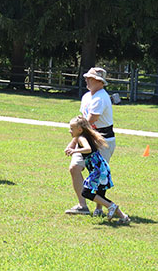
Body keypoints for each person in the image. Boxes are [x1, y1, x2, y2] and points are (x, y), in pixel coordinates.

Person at [65, 67, 116, 216]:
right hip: (86, 138)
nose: (86, 79)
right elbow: (81, 121)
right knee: (74, 167)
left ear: (99, 81)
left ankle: (99, 209)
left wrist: (73, 142)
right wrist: (76, 140)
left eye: (90, 78)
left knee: (99, 174)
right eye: (86, 77)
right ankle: (83, 206)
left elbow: (87, 123)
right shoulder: (87, 96)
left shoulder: (101, 97)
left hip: (103, 140)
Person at [65, 116, 130, 224]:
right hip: (102, 168)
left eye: (72, 129)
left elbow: (88, 149)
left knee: (86, 192)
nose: (70, 131)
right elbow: (76, 142)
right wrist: (70, 147)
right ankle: (123, 217)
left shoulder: (82, 138)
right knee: (98, 194)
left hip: (98, 170)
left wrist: (74, 151)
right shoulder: (83, 135)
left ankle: (111, 206)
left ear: (79, 130)